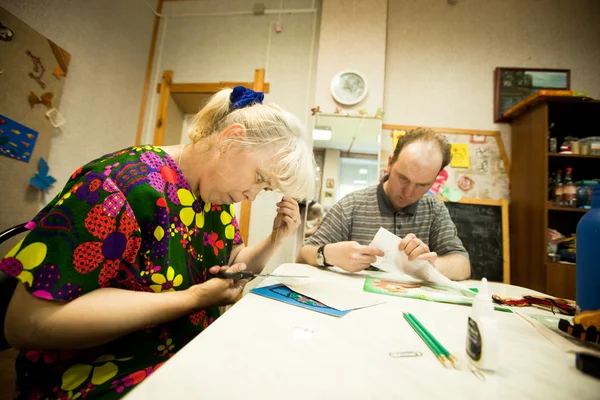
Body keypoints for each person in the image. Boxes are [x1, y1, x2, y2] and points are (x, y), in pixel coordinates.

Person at [0, 86, 314, 399]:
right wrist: (195, 298)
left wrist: (276, 238)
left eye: (267, 189)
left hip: (186, 352)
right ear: (230, 140)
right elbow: (28, 324)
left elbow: (235, 264)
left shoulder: (215, 198)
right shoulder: (119, 185)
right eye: (260, 177)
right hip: (98, 372)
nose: (252, 196)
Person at [297, 127, 470, 281]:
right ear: (389, 164)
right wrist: (328, 254)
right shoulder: (350, 206)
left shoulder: (435, 210)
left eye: (422, 185)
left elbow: (463, 265)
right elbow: (303, 255)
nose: (408, 192)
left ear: (434, 180)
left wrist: (431, 265)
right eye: (403, 178)